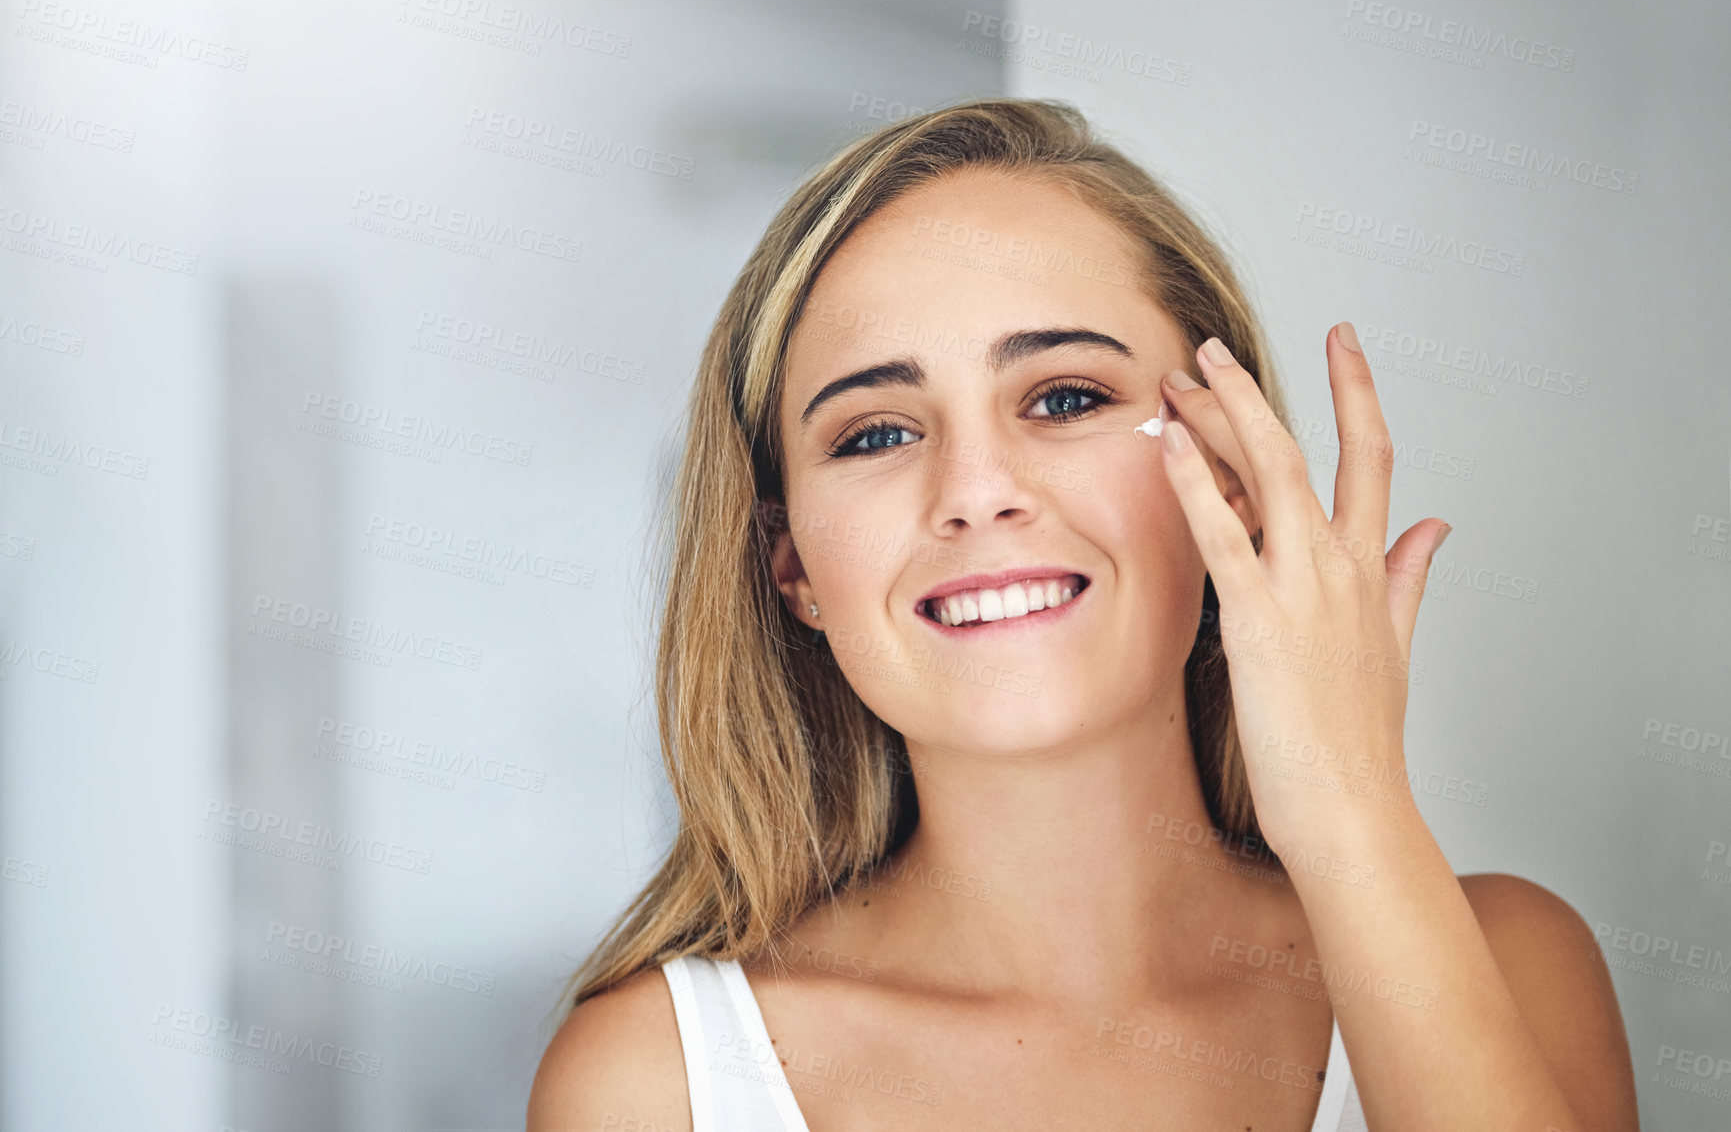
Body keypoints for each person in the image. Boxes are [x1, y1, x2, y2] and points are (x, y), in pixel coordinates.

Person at [527, 98, 1638, 1131]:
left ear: (1232, 469)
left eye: (1065, 398)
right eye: (875, 432)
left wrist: (1350, 811)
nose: (974, 489)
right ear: (792, 564)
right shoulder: (656, 1081)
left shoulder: (1511, 962)